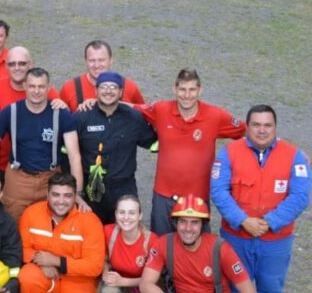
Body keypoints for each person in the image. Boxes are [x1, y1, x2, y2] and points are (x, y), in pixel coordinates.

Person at [210, 104, 309, 293]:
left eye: (267, 125)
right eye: (256, 125)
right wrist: (243, 220)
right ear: (247, 127)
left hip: (276, 240)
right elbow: (219, 190)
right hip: (237, 237)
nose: (262, 130)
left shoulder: (294, 156)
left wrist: (269, 221)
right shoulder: (229, 153)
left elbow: (300, 196)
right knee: (235, 284)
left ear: (275, 127)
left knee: (270, 286)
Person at [0, 68, 83, 221]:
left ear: (49, 87)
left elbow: (74, 156)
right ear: (24, 86)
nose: (36, 91)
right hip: (18, 179)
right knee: (11, 225)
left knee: (49, 226)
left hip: (51, 179)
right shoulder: (10, 112)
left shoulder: (61, 114)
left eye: (41, 86)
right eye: (32, 86)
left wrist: (77, 194)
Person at [138, 68, 245, 235]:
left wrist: (287, 151)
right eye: (182, 89)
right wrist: (95, 101)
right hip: (163, 196)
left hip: (197, 198)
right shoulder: (160, 109)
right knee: (161, 247)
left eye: (192, 90)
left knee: (196, 252)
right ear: (174, 89)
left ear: (200, 90)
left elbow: (251, 131)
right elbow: (132, 109)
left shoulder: (216, 116)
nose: (187, 95)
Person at [18, 173, 104, 293]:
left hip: (79, 282)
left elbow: (95, 267)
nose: (61, 201)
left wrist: (56, 261)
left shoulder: (90, 221)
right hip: (47, 275)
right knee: (28, 277)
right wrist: (40, 261)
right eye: (56, 195)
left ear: (75, 197)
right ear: (47, 194)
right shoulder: (31, 213)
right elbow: (21, 248)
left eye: (67, 196)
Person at [75, 72, 157, 225]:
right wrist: (75, 191)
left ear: (120, 92)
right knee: (91, 235)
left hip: (124, 188)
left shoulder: (134, 118)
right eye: (104, 87)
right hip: (91, 190)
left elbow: (154, 143)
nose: (108, 91)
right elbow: (68, 153)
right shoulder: (81, 117)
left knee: (127, 234)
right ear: (96, 90)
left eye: (113, 87)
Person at [0, 46, 59, 171]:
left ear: (31, 65)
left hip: (36, 167)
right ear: (6, 67)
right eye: (12, 64)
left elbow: (63, 120)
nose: (17, 68)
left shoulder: (46, 92)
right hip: (0, 166)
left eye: (22, 63)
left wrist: (62, 105)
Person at [98, 195, 152, 293]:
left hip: (140, 287)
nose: (126, 218)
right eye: (122, 212)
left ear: (140, 215)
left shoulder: (151, 240)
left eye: (132, 213)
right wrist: (105, 271)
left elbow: (153, 279)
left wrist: (124, 281)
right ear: (116, 214)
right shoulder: (108, 232)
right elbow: (101, 257)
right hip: (117, 283)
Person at [58, 40, 145, 112]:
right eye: (92, 60)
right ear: (85, 62)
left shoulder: (129, 87)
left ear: (111, 60)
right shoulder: (69, 88)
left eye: (101, 60)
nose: (97, 65)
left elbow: (145, 114)